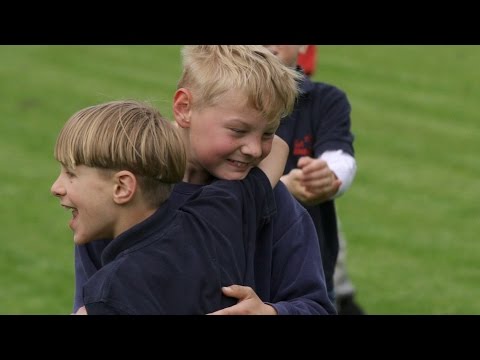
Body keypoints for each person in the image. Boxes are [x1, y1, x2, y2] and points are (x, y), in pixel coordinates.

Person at [73, 46, 336, 315]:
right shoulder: (123, 196)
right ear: (184, 108)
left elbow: (317, 306)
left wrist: (270, 312)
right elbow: (91, 301)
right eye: (238, 130)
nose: (255, 149)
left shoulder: (274, 202)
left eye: (268, 134)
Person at [51, 99, 290, 314]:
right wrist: (160, 146)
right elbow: (277, 148)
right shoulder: (215, 217)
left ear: (122, 187)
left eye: (71, 174)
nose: (56, 187)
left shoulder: (111, 294)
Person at [263, 45, 364, 314]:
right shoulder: (222, 100)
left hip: (309, 275)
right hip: (239, 268)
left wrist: (328, 176)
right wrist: (285, 188)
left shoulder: (325, 100)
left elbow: (340, 157)